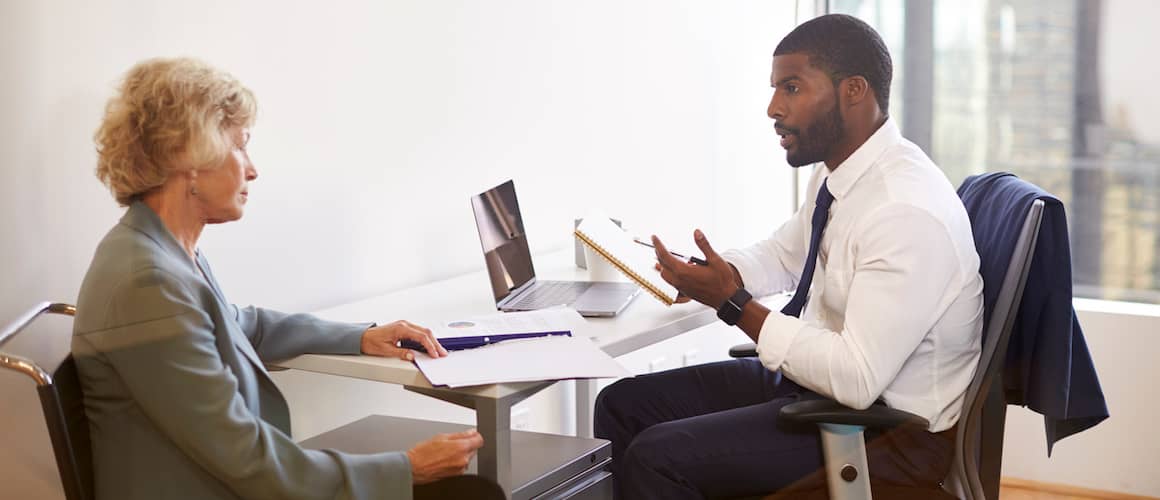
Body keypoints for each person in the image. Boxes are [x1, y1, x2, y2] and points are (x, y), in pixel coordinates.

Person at [72, 57, 503, 500]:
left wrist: (363, 336)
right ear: (189, 157)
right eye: (240, 147)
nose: (252, 169)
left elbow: (244, 327)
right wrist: (405, 469)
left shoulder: (162, 253)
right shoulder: (147, 282)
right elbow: (244, 458)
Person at [594, 14, 984, 498]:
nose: (773, 108)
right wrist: (722, 274)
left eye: (792, 88)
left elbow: (857, 379)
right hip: (815, 388)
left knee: (659, 458)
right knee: (621, 405)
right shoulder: (840, 175)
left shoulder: (904, 210)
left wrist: (734, 304)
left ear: (854, 90)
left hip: (884, 434)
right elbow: (785, 252)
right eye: (776, 88)